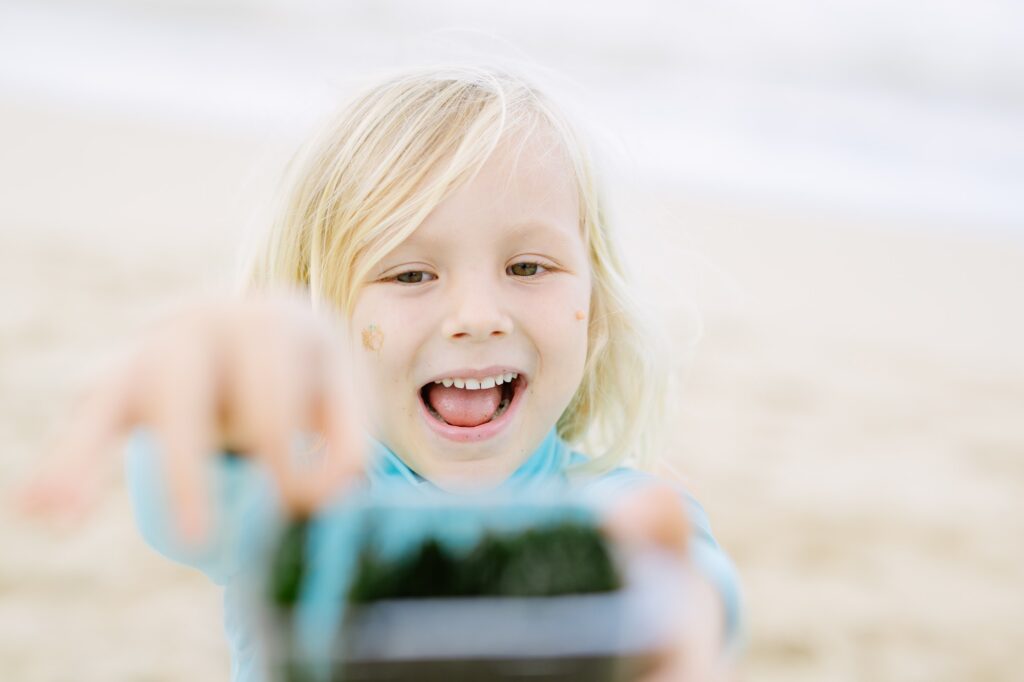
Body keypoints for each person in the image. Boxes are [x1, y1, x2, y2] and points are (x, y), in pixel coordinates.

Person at [19, 65, 742, 681]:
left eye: (529, 266)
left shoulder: (625, 510)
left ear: (599, 305)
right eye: (410, 272)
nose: (478, 315)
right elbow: (191, 504)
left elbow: (702, 603)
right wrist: (220, 394)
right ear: (318, 321)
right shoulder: (301, 501)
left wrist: (668, 607)